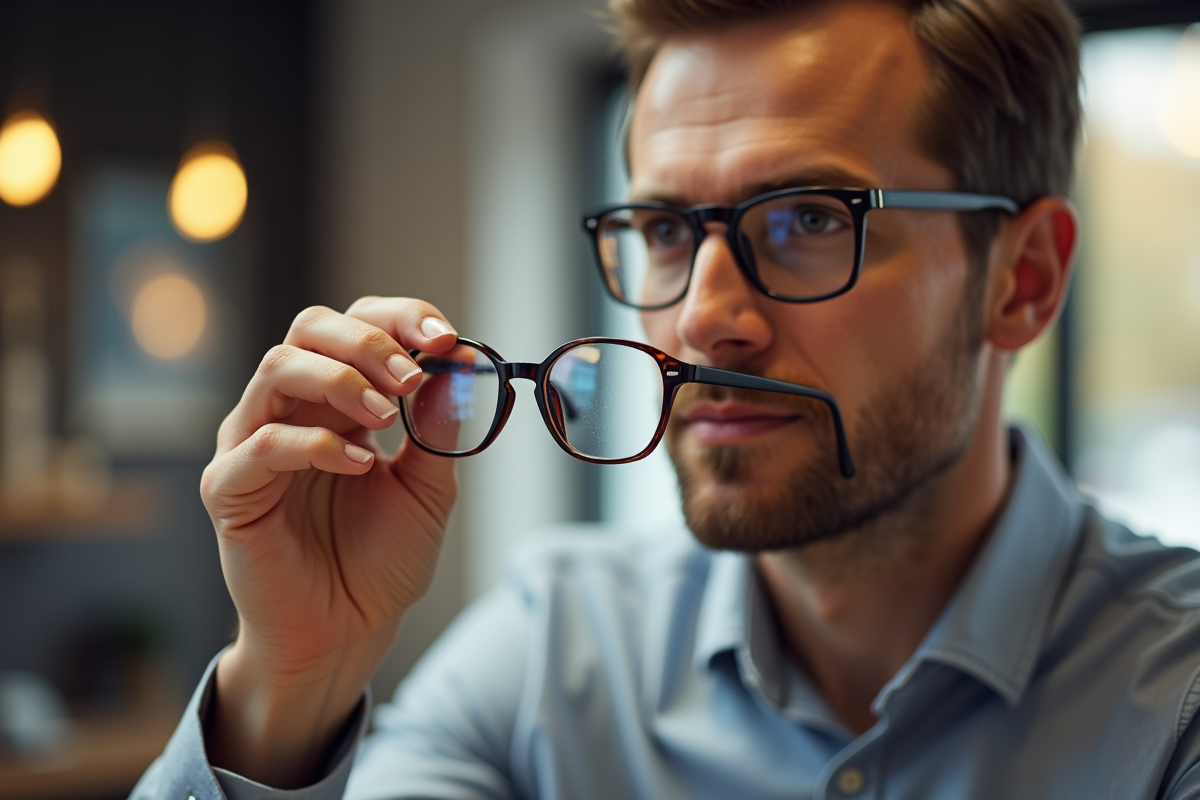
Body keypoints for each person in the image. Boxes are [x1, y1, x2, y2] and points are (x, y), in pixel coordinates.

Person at [133, 0, 1200, 798]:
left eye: (807, 219)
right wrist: (297, 677)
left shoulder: (1172, 706)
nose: (701, 318)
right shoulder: (556, 648)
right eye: (665, 232)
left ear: (1022, 279)